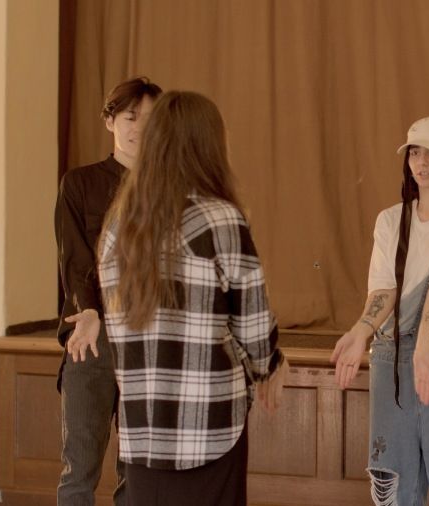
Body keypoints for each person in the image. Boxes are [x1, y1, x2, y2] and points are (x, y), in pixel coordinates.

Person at [93, 90, 287, 506]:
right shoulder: (219, 219)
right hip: (210, 426)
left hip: (143, 430)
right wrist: (272, 367)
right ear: (209, 145)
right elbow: (254, 330)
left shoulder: (117, 228)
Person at [331, 116, 429, 506]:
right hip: (392, 359)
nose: (421, 162)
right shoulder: (390, 220)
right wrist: (360, 332)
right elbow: (385, 290)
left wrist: (424, 350)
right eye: (414, 153)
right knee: (392, 481)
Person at [55, 76, 161, 505]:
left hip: (149, 341)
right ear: (110, 121)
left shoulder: (169, 187)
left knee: (136, 474)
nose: (139, 127)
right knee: (78, 472)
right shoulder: (79, 183)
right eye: (130, 117)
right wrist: (91, 312)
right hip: (90, 340)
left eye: (150, 119)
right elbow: (75, 260)